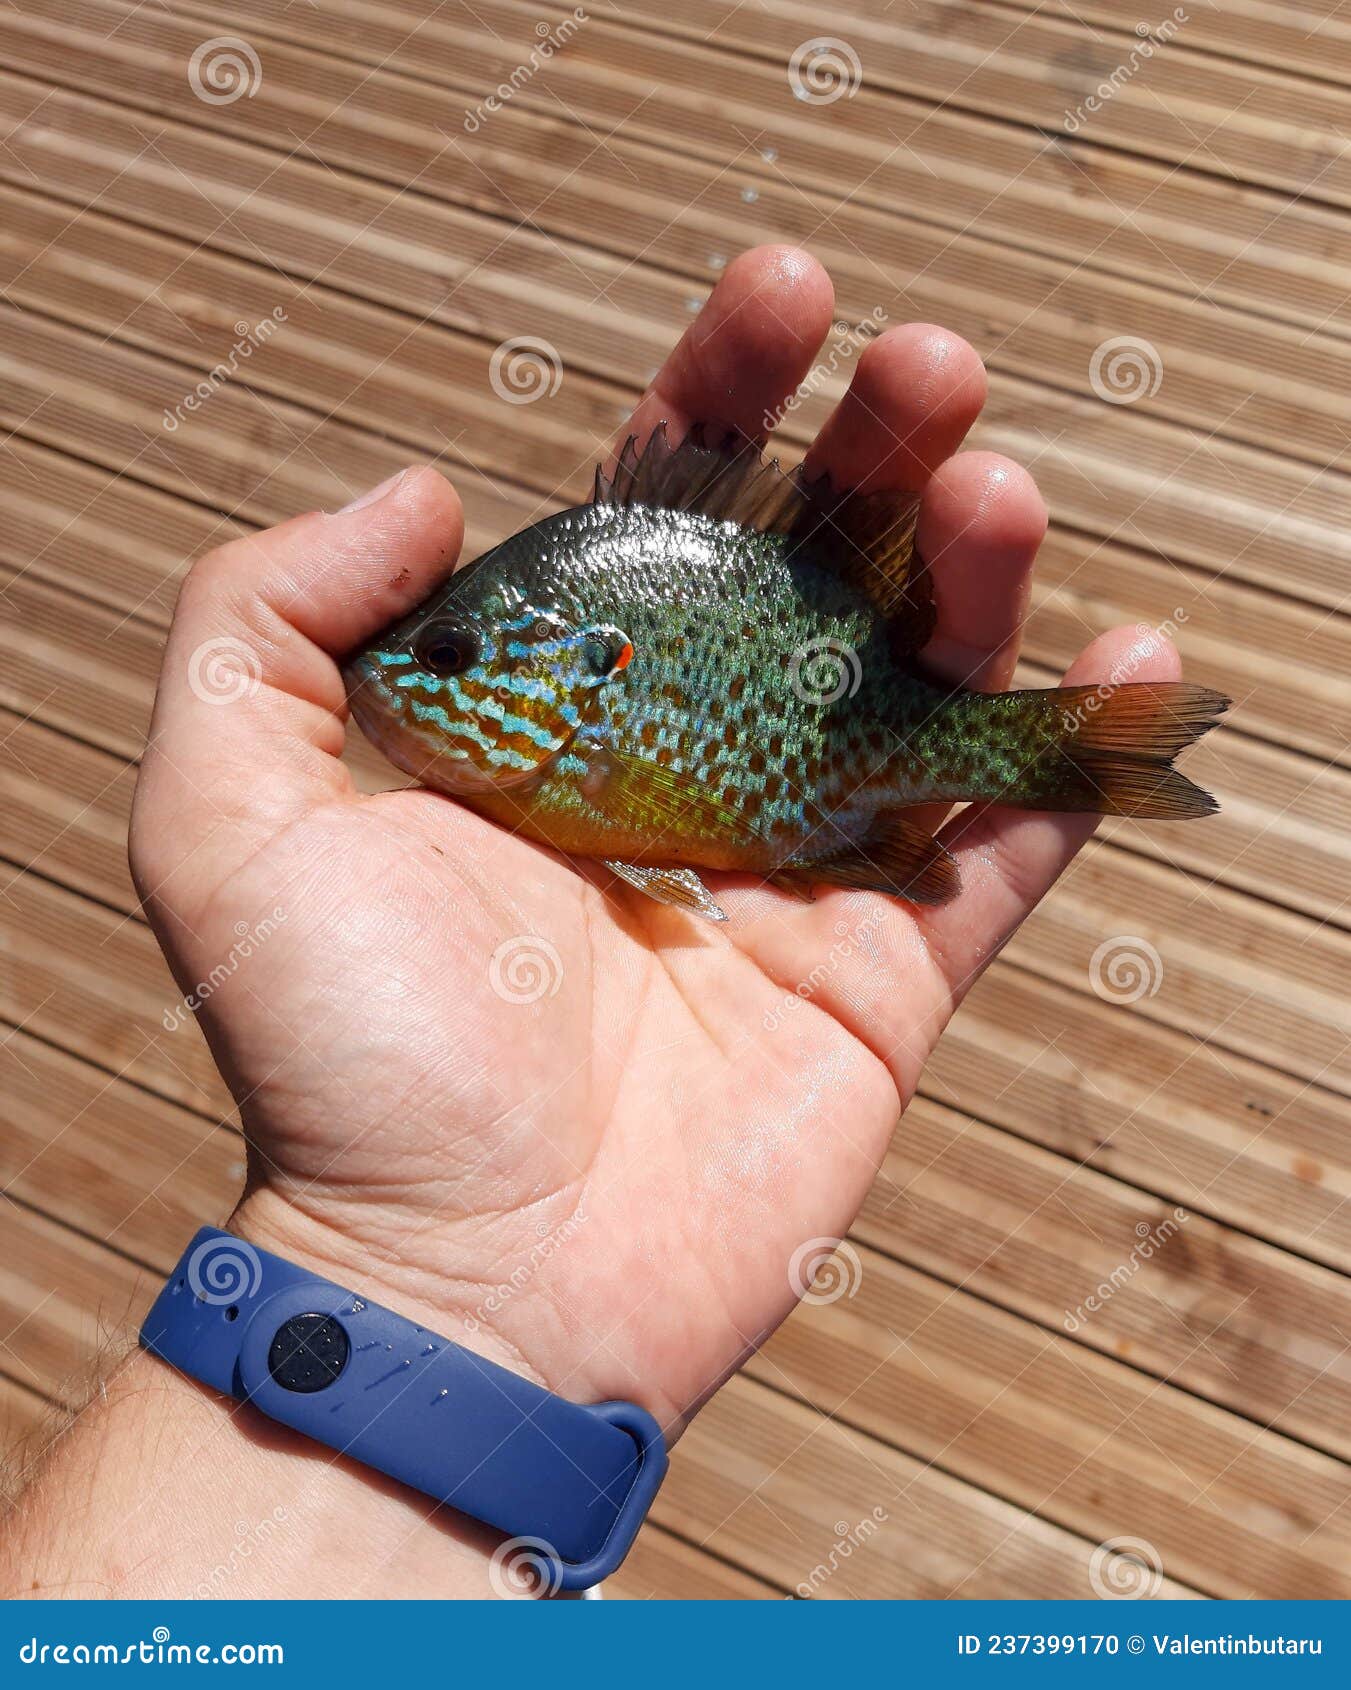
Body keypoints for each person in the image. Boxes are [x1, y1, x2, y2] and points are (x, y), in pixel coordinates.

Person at [1, 248, 1190, 1598]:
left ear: (585, 670)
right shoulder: (556, 754)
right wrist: (419, 1266)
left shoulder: (601, 705)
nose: (396, 687)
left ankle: (1087, 749)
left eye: (446, 660)